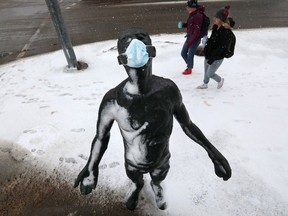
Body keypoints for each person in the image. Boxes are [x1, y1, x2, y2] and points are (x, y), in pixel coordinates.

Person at [74, 27, 232, 211]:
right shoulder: (113, 101)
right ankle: (137, 186)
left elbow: (187, 124)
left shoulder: (168, 91)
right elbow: (101, 137)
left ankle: (157, 186)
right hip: (133, 162)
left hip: (161, 159)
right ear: (121, 60)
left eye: (140, 42)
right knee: (134, 177)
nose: (135, 48)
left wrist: (213, 153)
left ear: (152, 52)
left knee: (159, 176)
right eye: (129, 46)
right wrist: (92, 166)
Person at [197, 5, 236, 89]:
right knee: (206, 71)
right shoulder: (215, 27)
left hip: (217, 57)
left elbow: (221, 48)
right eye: (215, 17)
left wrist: (212, 59)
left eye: (217, 18)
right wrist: (207, 41)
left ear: (221, 20)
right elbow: (213, 41)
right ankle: (205, 84)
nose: (214, 19)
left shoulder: (226, 33)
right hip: (209, 53)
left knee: (210, 73)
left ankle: (220, 80)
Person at [178, 0, 205, 75]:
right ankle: (189, 65)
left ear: (193, 7)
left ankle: (189, 68)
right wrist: (183, 25)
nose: (187, 8)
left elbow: (196, 31)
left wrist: (190, 42)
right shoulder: (192, 14)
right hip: (189, 37)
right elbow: (190, 25)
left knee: (190, 54)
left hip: (195, 39)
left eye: (188, 7)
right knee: (183, 53)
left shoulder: (198, 16)